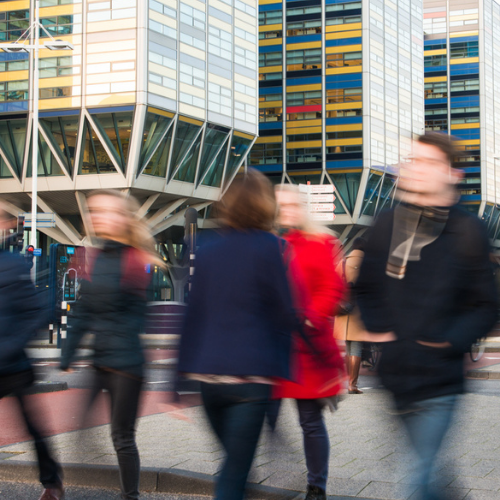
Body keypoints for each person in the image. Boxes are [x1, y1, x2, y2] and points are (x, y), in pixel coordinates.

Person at [355, 132, 498, 500]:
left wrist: (448, 339)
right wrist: (381, 328)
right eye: (412, 160)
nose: (415, 169)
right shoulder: (387, 223)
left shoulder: (468, 230)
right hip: (397, 379)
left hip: (441, 379)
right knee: (427, 469)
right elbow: (366, 285)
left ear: (452, 174)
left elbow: (486, 305)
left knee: (415, 477)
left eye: (428, 162)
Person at [177, 169, 298, 500]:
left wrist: (177, 381)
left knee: (235, 465)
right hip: (250, 378)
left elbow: (194, 315)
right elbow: (283, 314)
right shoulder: (272, 248)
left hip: (209, 379)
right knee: (234, 472)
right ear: (264, 203)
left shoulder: (208, 250)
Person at [61, 189, 164, 500]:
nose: (97, 217)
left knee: (121, 437)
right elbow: (82, 310)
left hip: (127, 367)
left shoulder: (135, 260)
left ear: (123, 218)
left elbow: (138, 316)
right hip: (100, 360)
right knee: (80, 433)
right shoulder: (96, 258)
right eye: (94, 211)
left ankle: (130, 495)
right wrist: (68, 351)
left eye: (106, 211)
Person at [274, 184, 346, 500]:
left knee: (309, 421)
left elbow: (332, 288)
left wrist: (309, 317)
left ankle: (316, 485)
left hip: (307, 345)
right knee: (263, 415)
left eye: (291, 205)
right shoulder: (277, 244)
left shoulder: (323, 242)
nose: (286, 211)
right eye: (281, 206)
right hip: (278, 346)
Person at [0, 204, 64, 500]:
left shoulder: (12, 264)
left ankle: (52, 481)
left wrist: (14, 344)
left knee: (32, 426)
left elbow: (37, 310)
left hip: (13, 364)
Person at [334, 236, 369, 394]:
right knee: (356, 347)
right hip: (360, 310)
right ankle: (352, 385)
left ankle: (349, 381)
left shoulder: (342, 263)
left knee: (349, 348)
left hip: (342, 309)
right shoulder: (368, 264)